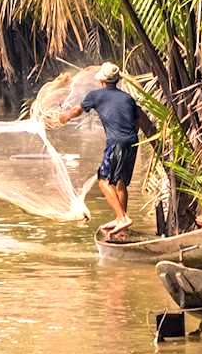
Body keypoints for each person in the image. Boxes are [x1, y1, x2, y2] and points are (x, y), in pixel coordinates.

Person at [47, 62, 143, 241]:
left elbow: (77, 110)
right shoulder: (127, 98)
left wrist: (63, 118)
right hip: (132, 142)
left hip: (116, 143)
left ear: (102, 81)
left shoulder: (96, 95)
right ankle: (121, 225)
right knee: (120, 183)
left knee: (103, 180)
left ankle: (122, 218)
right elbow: (137, 122)